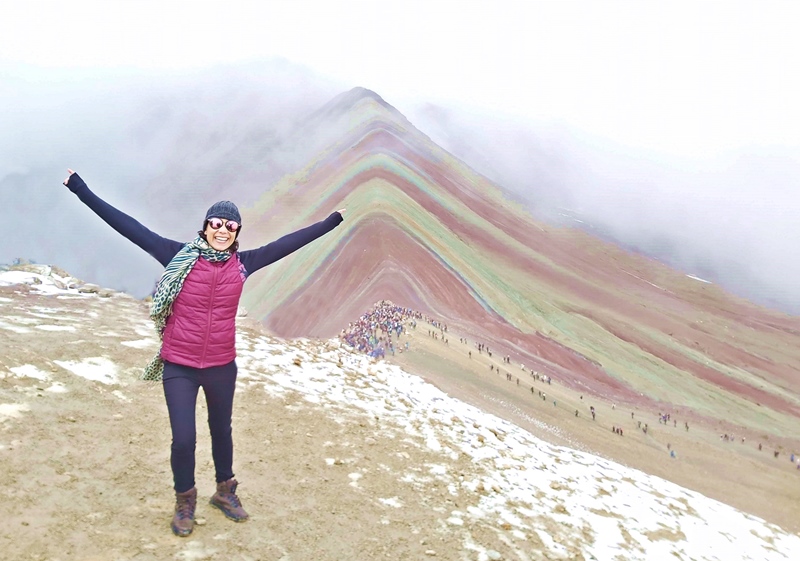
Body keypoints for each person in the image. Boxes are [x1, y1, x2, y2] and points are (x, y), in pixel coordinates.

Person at [62, 169, 345, 537]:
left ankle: (225, 493)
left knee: (221, 431)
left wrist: (331, 222)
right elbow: (127, 226)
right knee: (183, 438)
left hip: (221, 366)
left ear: (237, 233)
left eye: (231, 226)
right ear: (205, 226)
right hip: (179, 364)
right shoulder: (177, 256)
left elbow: (290, 242)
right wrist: (81, 189)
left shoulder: (244, 264)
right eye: (216, 222)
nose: (223, 230)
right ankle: (185, 501)